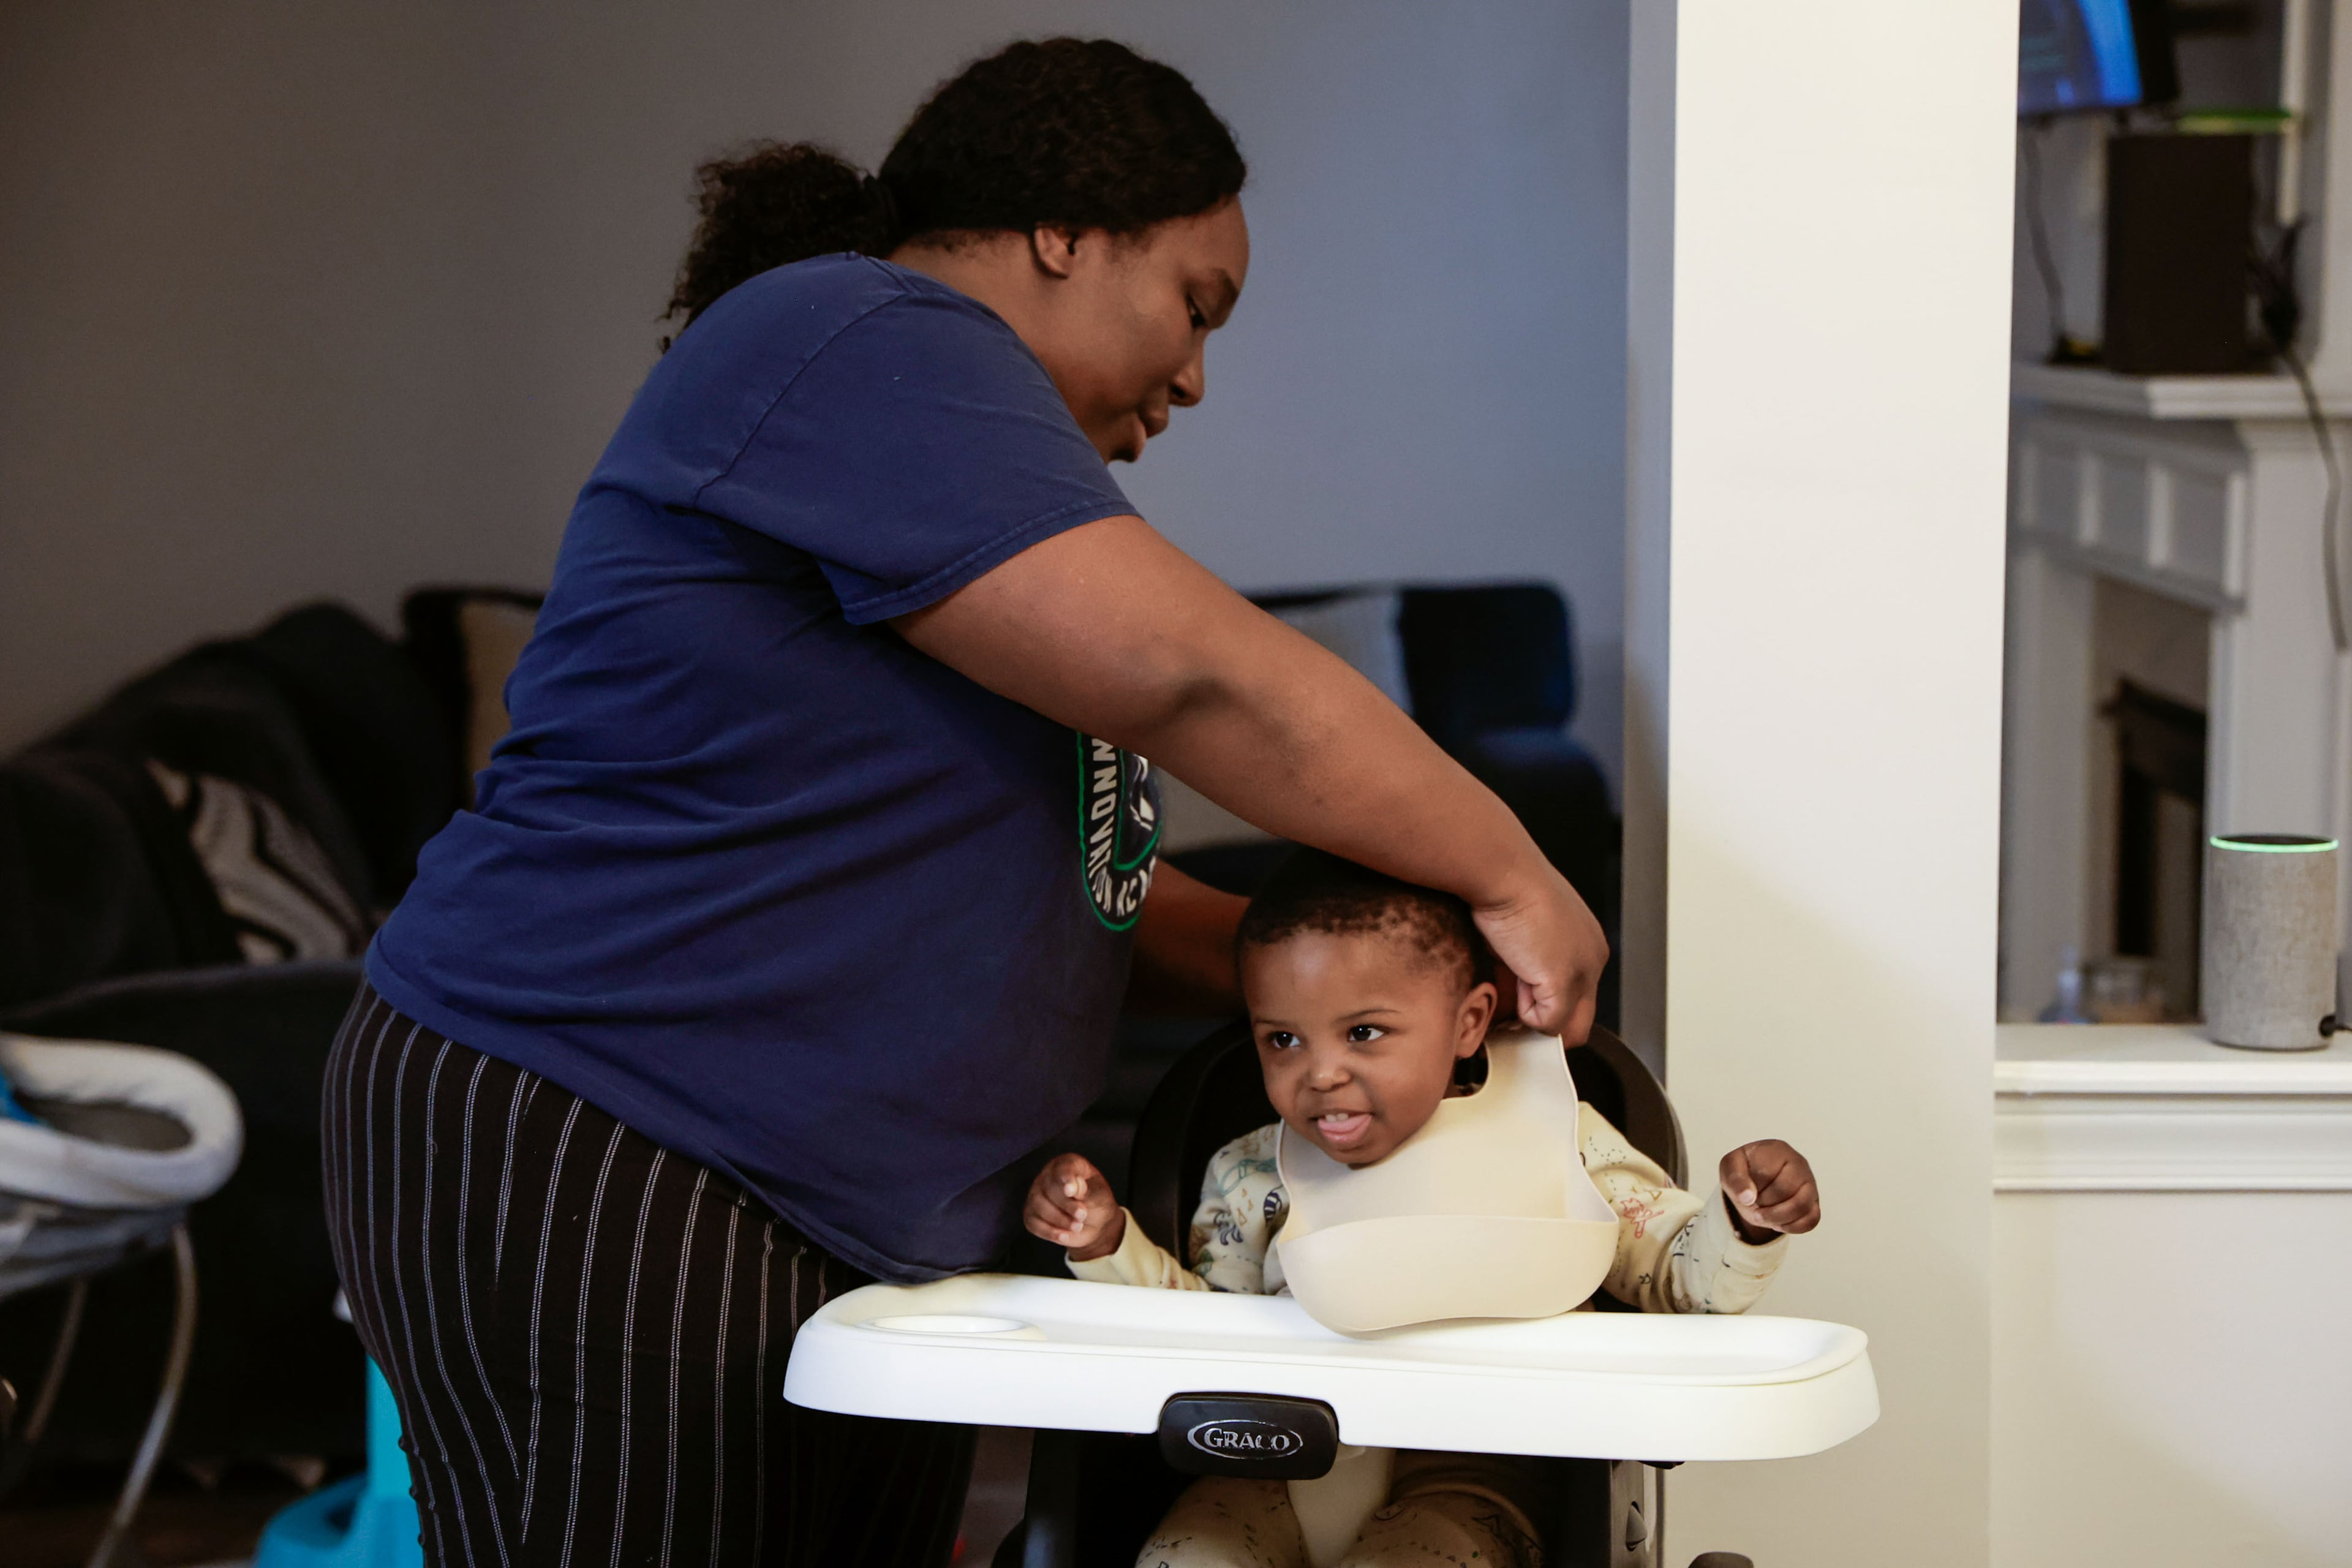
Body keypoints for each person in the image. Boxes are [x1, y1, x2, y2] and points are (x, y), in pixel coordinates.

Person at [323, 36, 1609, 1568]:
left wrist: (1406, 970)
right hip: (615, 1125)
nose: (1196, 375)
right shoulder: (856, 330)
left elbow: (1093, 895)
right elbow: (1199, 680)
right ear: (1066, 226)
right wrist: (1512, 867)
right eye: (1195, 305)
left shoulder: (959, 500)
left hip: (827, 1207)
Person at [1025, 851, 1820, 1568]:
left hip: (1477, 1475)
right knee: (1182, 1557)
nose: (1322, 1074)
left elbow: (1685, 1281)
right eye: (1284, 1041)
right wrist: (1106, 1244)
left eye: (1364, 1033)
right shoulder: (1249, 1171)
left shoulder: (1559, 1143)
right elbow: (1207, 1334)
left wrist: (1744, 1221)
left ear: (1469, 1022)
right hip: (1275, 1473)